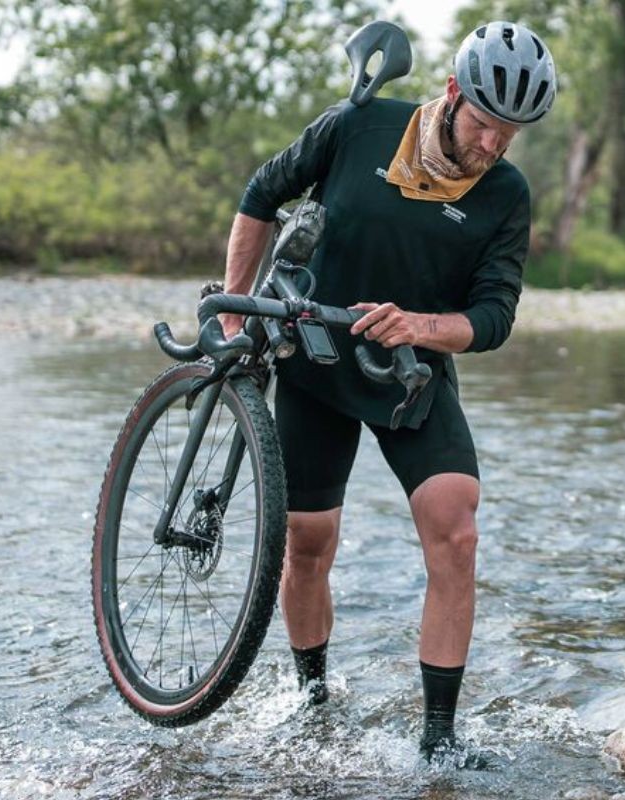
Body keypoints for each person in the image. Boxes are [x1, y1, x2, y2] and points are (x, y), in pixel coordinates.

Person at [220, 20, 557, 762]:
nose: (495, 143)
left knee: (457, 528)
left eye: (512, 132)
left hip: (409, 375)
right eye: (486, 123)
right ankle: (312, 697)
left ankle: (438, 739)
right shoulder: (360, 125)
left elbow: (495, 315)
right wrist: (236, 306)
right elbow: (262, 193)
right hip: (311, 360)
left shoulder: (505, 194)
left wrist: (421, 328)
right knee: (308, 544)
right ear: (451, 93)